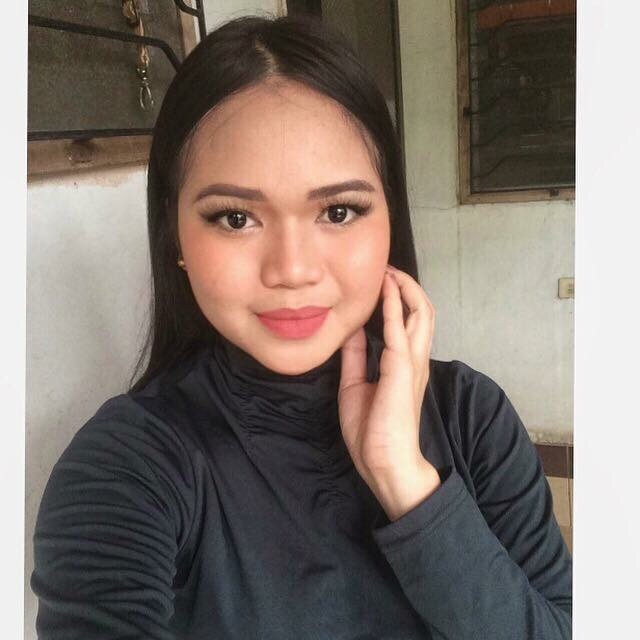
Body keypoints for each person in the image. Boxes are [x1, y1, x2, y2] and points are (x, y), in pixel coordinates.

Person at [31, 14, 572, 640]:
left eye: (338, 211)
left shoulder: (471, 416)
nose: (291, 270)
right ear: (174, 235)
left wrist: (407, 482)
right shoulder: (129, 466)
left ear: (389, 220)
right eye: (235, 218)